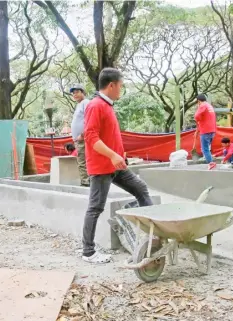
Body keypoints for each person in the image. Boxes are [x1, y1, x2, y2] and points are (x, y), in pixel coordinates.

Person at [82, 68, 153, 264]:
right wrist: (113, 155)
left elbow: (108, 136)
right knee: (95, 207)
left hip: (116, 166)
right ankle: (88, 251)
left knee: (141, 190)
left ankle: (152, 238)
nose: (121, 89)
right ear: (111, 85)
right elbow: (90, 137)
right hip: (102, 167)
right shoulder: (95, 106)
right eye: (120, 85)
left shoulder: (108, 106)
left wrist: (119, 156)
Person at [70, 84, 90, 186]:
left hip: (83, 138)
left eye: (77, 92)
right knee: (82, 161)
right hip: (78, 139)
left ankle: (86, 182)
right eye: (73, 93)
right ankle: (86, 181)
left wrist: (82, 134)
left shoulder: (85, 102)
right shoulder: (79, 105)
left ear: (83, 92)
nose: (75, 94)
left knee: (82, 161)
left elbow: (89, 118)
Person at [193, 94, 217, 163]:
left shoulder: (202, 105)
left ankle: (211, 163)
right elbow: (203, 120)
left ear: (198, 101)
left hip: (206, 131)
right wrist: (197, 131)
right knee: (207, 148)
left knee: (205, 149)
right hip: (212, 130)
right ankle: (210, 161)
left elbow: (196, 116)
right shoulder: (209, 106)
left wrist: (198, 118)